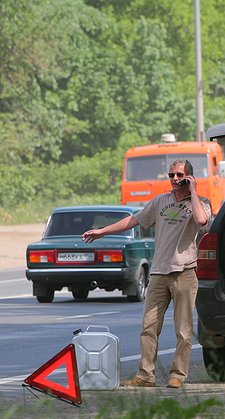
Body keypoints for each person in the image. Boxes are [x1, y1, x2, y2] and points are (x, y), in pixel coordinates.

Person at [82, 159, 211, 389]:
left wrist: (193, 191)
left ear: (189, 177)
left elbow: (202, 220)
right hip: (159, 273)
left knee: (183, 331)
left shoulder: (200, 202)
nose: (174, 179)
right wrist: (102, 231)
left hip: (185, 272)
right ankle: (145, 376)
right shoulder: (161, 200)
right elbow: (135, 220)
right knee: (149, 327)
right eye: (171, 175)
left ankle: (177, 375)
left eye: (179, 175)